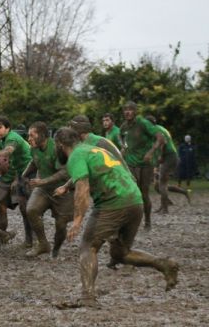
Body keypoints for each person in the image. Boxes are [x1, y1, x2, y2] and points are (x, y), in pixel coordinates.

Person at [53, 127, 178, 308]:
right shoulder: (93, 150)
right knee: (120, 253)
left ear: (60, 145)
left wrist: (78, 219)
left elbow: (83, 189)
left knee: (88, 247)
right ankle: (164, 264)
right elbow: (95, 170)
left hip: (113, 203)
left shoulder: (75, 156)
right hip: (135, 200)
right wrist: (66, 186)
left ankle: (87, 298)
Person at [22, 121, 73, 258]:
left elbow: (64, 173)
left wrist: (42, 181)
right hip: (43, 188)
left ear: (43, 135)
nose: (29, 139)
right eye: (28, 135)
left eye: (32, 135)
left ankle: (56, 247)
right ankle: (43, 244)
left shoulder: (56, 147)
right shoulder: (33, 148)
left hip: (63, 189)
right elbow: (34, 161)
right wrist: (24, 175)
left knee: (61, 224)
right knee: (31, 210)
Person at [120, 101, 165, 230]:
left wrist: (151, 152)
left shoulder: (143, 123)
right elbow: (121, 136)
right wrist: (123, 146)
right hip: (130, 162)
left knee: (144, 193)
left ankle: (148, 221)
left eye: (130, 109)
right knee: (131, 191)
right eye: (125, 109)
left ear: (135, 111)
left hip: (145, 163)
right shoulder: (124, 126)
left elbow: (160, 138)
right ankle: (128, 222)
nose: (127, 112)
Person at [0, 116, 33, 247]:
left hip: (27, 173)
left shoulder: (12, 138)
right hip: (10, 175)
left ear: (7, 128)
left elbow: (8, 151)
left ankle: (31, 239)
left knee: (26, 207)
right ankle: (3, 236)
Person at [145, 116, 190, 213]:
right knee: (158, 185)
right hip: (168, 156)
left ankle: (165, 208)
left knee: (162, 184)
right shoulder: (159, 128)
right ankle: (167, 203)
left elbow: (163, 142)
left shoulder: (155, 129)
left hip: (169, 156)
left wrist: (161, 156)